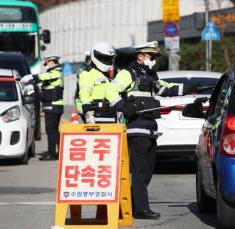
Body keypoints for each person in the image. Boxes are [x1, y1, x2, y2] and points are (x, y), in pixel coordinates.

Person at [105, 41, 202, 219]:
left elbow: (168, 89)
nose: (154, 61)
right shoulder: (128, 74)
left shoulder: (151, 77)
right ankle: (141, 208)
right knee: (141, 170)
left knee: (147, 171)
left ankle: (131, 203)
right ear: (140, 57)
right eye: (151, 57)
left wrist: (192, 88)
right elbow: (110, 90)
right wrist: (124, 107)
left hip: (150, 129)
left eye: (155, 58)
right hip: (136, 129)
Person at [21, 55, 64, 161]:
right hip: (54, 106)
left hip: (53, 106)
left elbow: (44, 77)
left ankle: (51, 153)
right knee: (54, 131)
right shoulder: (55, 74)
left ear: (51, 62)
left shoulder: (55, 73)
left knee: (50, 130)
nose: (47, 66)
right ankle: (61, 151)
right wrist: (30, 87)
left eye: (47, 63)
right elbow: (42, 85)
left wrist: (30, 77)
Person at [79, 42, 117, 124]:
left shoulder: (107, 76)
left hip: (111, 117)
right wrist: (87, 113)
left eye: (109, 59)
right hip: (97, 117)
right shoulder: (88, 73)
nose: (107, 61)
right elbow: (84, 94)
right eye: (104, 59)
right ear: (96, 57)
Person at [75, 51, 91, 122]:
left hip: (83, 104)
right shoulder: (86, 71)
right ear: (89, 61)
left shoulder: (81, 69)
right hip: (87, 104)